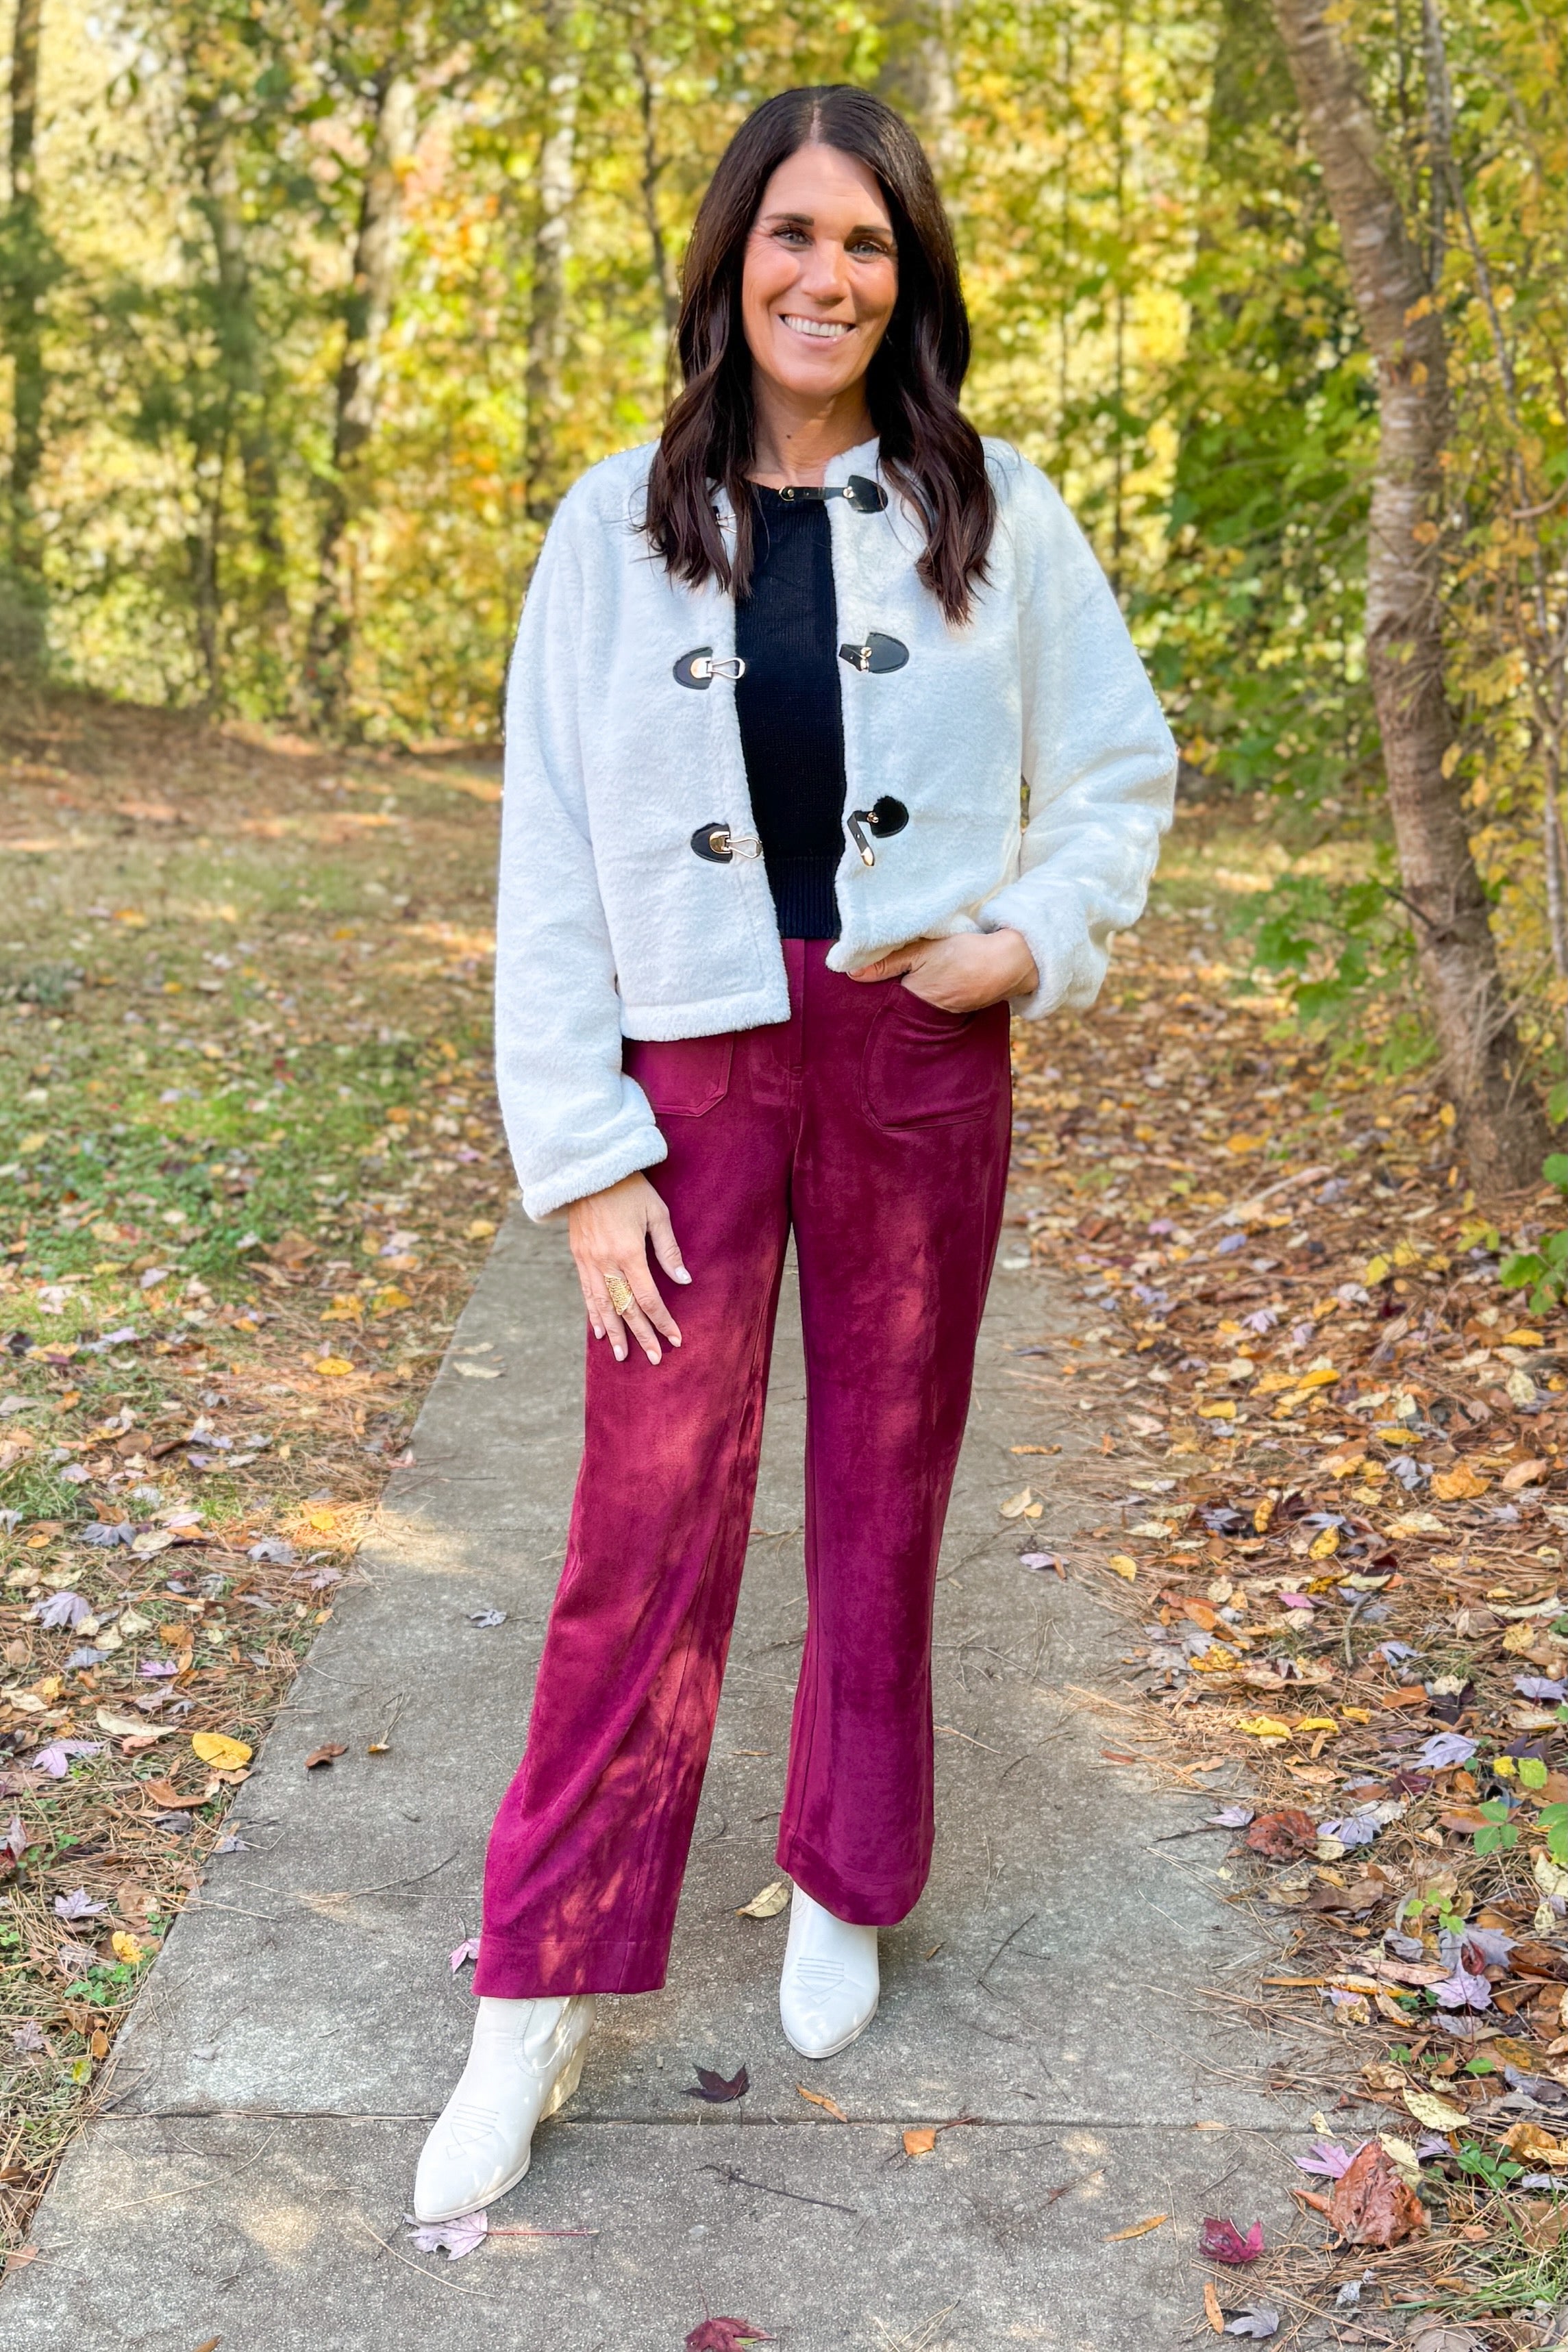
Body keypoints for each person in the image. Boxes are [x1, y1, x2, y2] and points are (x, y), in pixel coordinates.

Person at [414, 82, 1175, 2225]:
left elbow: (1116, 763)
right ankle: (534, 1994)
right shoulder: (611, 520)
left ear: (906, 280)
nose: (825, 278)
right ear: (731, 256)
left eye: (866, 246)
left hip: (913, 1057)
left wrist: (1032, 936)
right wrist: (580, 1155)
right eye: (791, 237)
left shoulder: (992, 509)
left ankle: (843, 1868)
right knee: (638, 1531)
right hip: (687, 1079)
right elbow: (549, 852)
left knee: (882, 1487)